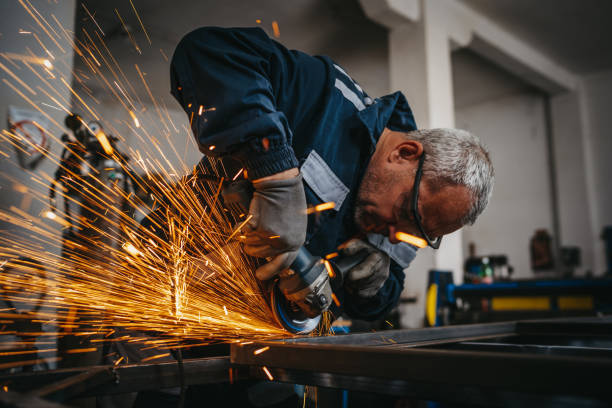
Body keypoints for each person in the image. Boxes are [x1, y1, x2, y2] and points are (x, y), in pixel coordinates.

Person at [170, 26, 494, 322]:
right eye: (405, 214)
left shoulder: (405, 223)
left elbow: (384, 296)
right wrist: (275, 176)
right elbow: (211, 51)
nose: (396, 236)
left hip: (267, 347)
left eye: (417, 234)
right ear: (405, 154)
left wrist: (374, 286)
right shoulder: (326, 102)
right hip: (169, 284)